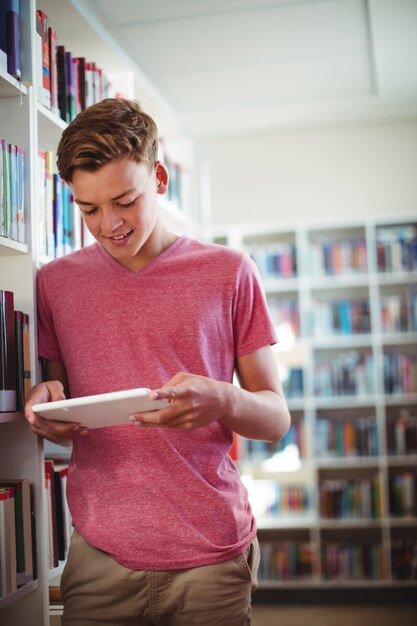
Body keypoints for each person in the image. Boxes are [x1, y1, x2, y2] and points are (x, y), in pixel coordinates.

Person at [25, 98, 291, 626]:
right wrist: (43, 406)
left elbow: (276, 419)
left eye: (125, 200)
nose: (108, 225)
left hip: (211, 558)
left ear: (161, 178)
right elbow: (61, 411)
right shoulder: (54, 284)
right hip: (99, 558)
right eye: (88, 209)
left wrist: (221, 399)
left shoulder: (229, 272)